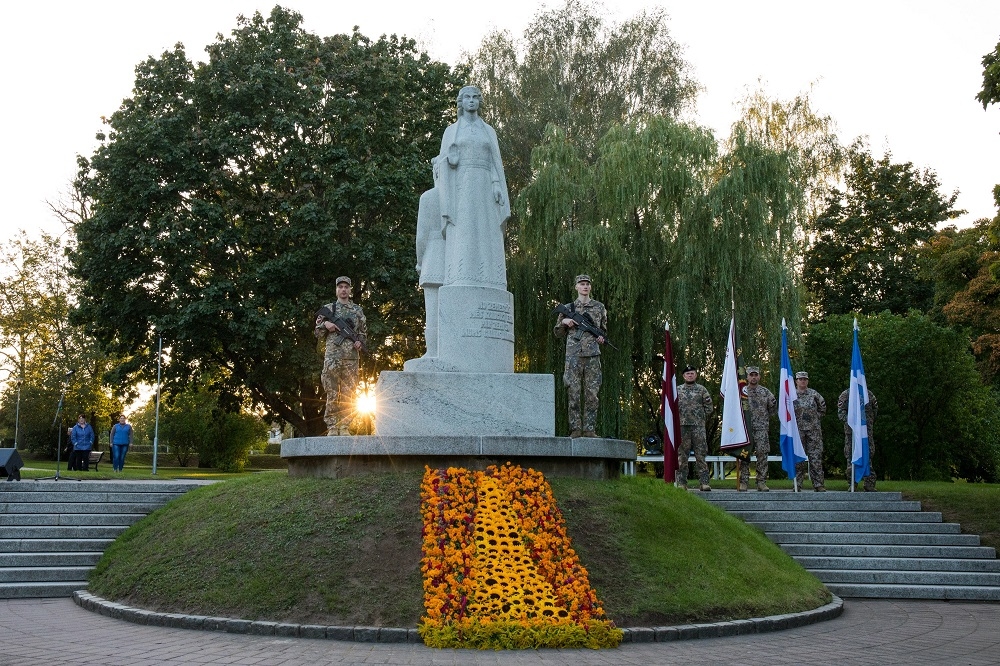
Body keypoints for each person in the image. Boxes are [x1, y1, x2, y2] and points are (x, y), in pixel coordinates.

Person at [437, 85, 510, 290]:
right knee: (464, 229)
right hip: (462, 186)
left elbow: (495, 161)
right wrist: (448, 161)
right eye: (467, 97)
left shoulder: (488, 131)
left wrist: (497, 184)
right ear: (461, 102)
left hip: (486, 184)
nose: (471, 101)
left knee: (486, 228)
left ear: (479, 101)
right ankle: (462, 274)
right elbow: (440, 164)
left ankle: (489, 276)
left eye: (475, 97)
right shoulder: (451, 131)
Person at [553, 274, 606, 438]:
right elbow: (557, 333)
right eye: (581, 284)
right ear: (576, 287)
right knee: (573, 393)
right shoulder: (569, 308)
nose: (585, 287)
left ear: (590, 287)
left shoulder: (599, 307)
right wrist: (564, 322)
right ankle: (575, 429)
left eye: (587, 284)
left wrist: (601, 337)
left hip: (592, 356)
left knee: (592, 394)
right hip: (573, 356)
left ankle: (590, 429)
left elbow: (603, 330)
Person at [315, 277, 368, 436]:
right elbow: (317, 333)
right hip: (332, 358)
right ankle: (332, 426)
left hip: (351, 359)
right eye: (340, 287)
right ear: (336, 290)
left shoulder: (357, 311)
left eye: (346, 287)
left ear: (350, 290)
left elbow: (363, 333)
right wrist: (325, 324)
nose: (343, 289)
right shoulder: (329, 309)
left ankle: (344, 426)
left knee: (348, 393)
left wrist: (360, 342)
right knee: (332, 392)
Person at [677, 365, 714, 491]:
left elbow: (709, 407)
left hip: (698, 427)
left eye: (692, 373)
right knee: (682, 456)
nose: (690, 375)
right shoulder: (677, 390)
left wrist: (699, 415)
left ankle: (704, 483)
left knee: (701, 455)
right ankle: (682, 483)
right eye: (688, 374)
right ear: (683, 376)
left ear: (696, 375)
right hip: (682, 427)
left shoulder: (702, 390)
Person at [741, 366, 777, 492]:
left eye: (756, 375)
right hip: (745, 430)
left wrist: (763, 420)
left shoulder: (766, 392)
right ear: (747, 377)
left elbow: (773, 409)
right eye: (751, 375)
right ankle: (743, 482)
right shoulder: (742, 392)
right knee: (744, 456)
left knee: (762, 454)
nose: (754, 377)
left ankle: (761, 482)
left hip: (761, 429)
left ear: (759, 377)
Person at [838, 387, 878, 491]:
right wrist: (851, 421)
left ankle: (869, 484)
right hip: (851, 432)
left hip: (865, 432)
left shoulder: (868, 394)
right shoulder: (846, 394)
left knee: (867, 454)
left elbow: (875, 410)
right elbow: (841, 412)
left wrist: (867, 422)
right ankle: (852, 484)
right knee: (851, 456)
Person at [793, 371, 827, 491]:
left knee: (815, 457)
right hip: (797, 432)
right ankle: (798, 484)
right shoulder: (791, 395)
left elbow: (823, 408)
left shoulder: (814, 394)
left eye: (805, 379)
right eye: (800, 379)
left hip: (813, 431)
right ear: (796, 381)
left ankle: (818, 484)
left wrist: (815, 419)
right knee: (798, 458)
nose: (803, 381)